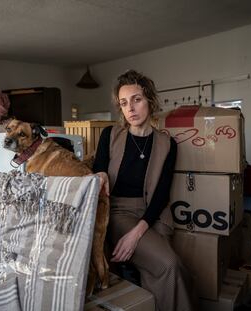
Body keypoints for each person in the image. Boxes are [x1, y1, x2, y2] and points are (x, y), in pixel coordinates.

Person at [93, 70, 195, 311]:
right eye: (124, 103)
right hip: (117, 213)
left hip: (153, 214)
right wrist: (100, 175)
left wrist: (136, 234)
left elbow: (162, 194)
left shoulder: (167, 143)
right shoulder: (110, 135)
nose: (131, 108)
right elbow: (99, 170)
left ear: (150, 100)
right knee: (170, 264)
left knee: (170, 271)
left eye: (137, 99)